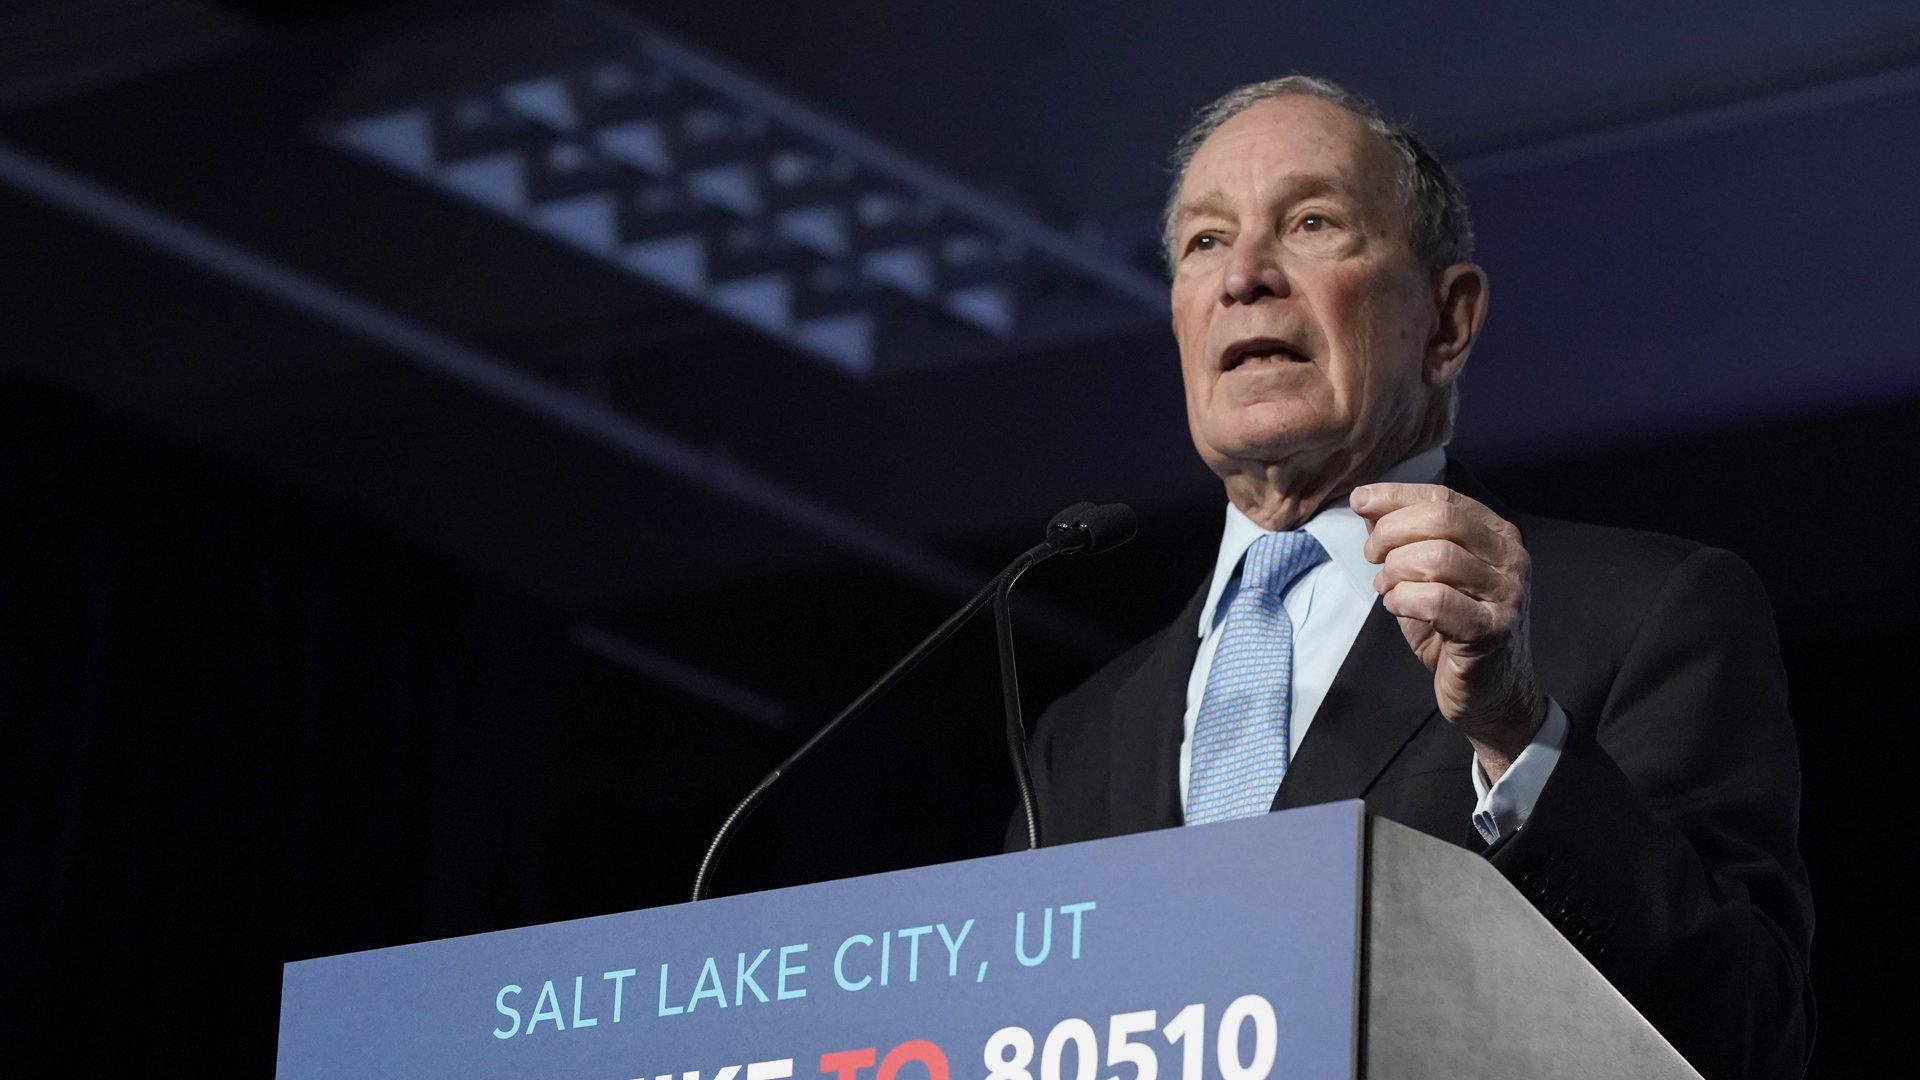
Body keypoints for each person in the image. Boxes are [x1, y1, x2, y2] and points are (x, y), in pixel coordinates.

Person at [1016, 76, 1814, 1080]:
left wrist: (1517, 734)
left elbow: (1743, 1033)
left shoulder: (1642, 615)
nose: (1244, 276)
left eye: (1311, 223)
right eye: (1205, 241)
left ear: (1447, 322)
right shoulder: (1076, 741)